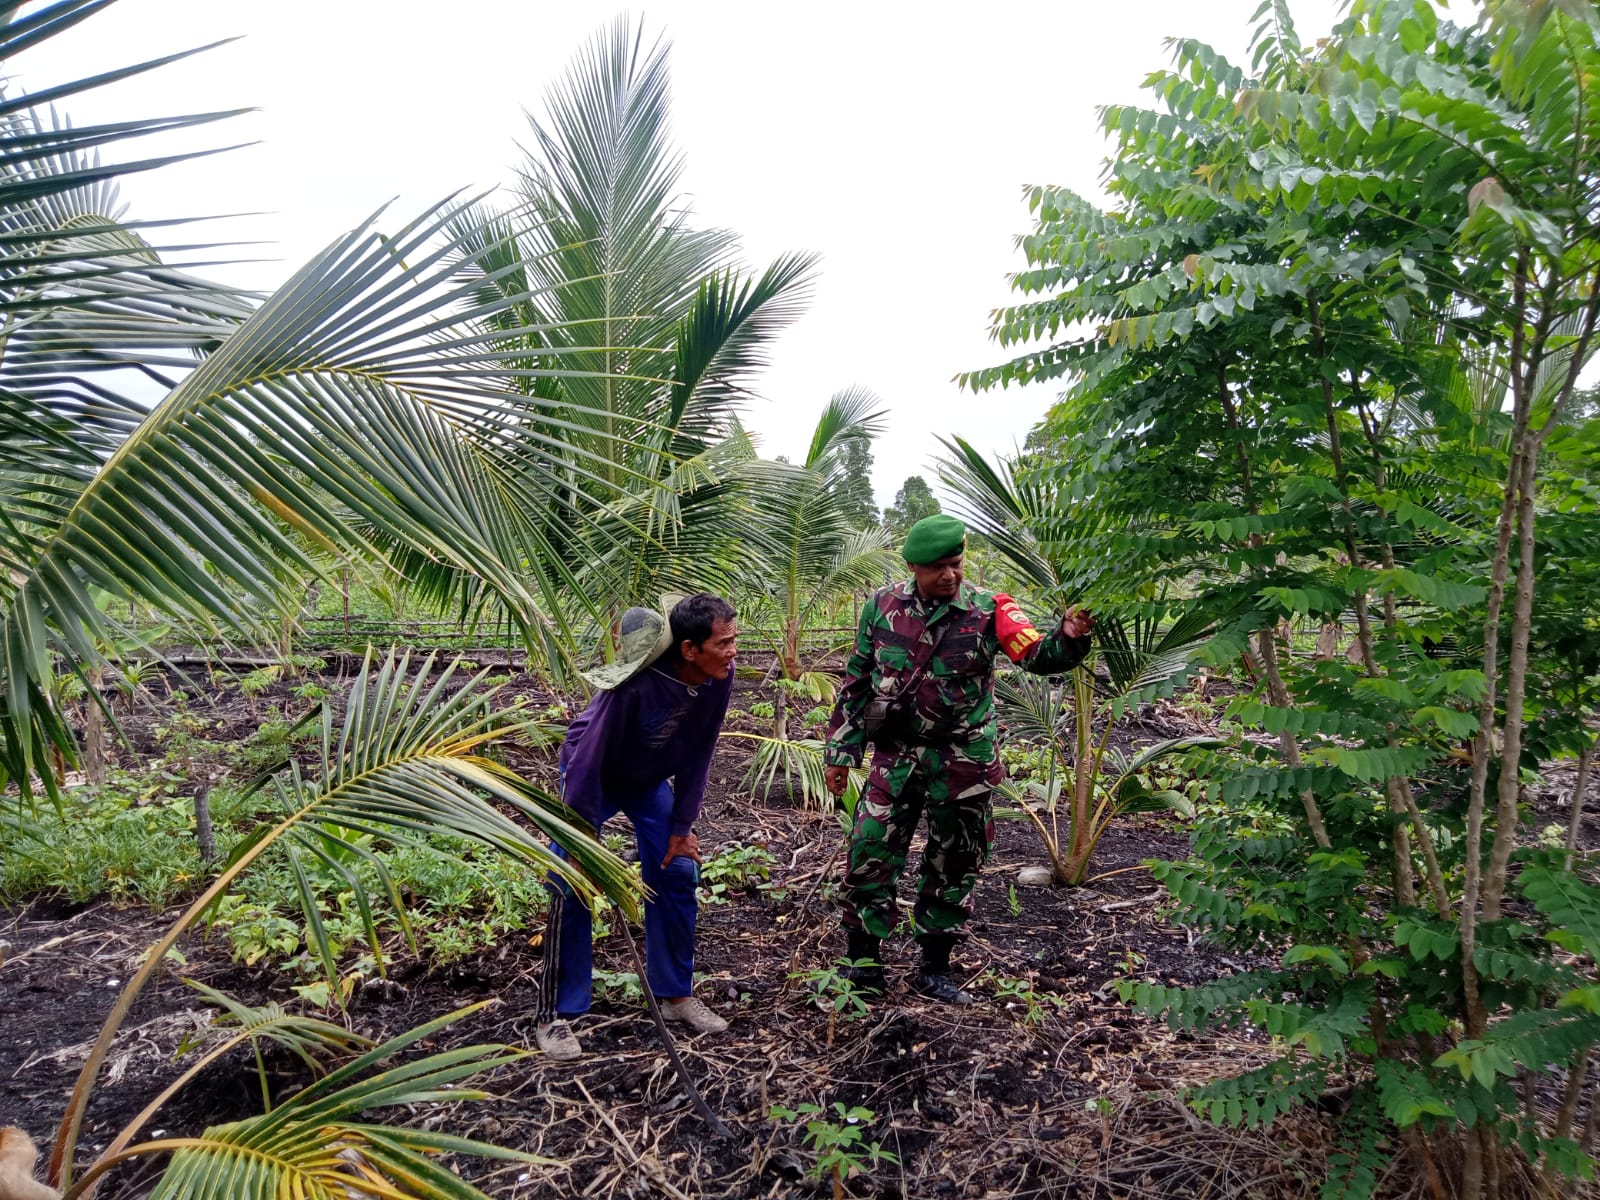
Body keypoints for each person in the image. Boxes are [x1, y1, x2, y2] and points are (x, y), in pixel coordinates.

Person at [822, 514, 1095, 1003]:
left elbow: (1036, 654)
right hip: (895, 760)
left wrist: (1070, 637)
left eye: (956, 563)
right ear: (913, 567)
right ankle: (864, 966)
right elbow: (858, 681)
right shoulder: (882, 607)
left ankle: (934, 968)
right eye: (938, 567)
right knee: (868, 854)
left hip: (962, 763)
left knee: (954, 863)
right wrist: (841, 751)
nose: (950, 574)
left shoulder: (991, 610)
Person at [533, 593, 739, 1061]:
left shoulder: (718, 679)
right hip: (595, 778)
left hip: (647, 780)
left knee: (677, 870)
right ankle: (556, 1015)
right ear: (689, 649)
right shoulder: (633, 687)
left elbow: (700, 750)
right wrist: (581, 837)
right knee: (570, 880)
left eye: (734, 640)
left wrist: (681, 825)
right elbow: (586, 759)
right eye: (724, 642)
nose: (733, 652)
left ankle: (675, 996)